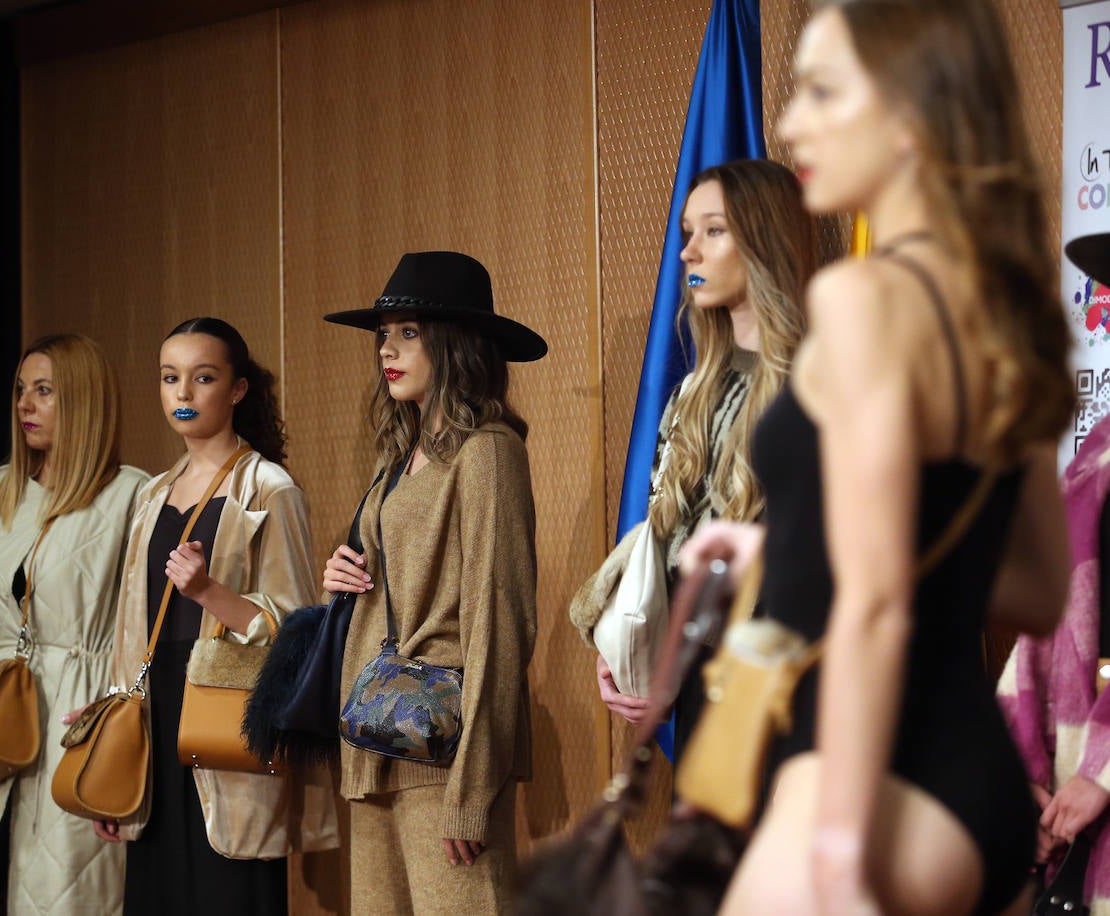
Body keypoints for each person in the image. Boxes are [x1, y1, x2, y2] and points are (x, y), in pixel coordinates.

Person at [678, 1, 1074, 913]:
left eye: (821, 91)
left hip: (865, 787)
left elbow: (880, 601)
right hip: (975, 790)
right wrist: (792, 546)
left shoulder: (862, 300)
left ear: (909, 114)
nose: (789, 123)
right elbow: (1033, 587)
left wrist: (840, 854)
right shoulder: (1006, 311)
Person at [321, 250, 545, 914]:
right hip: (371, 745)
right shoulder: (400, 457)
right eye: (385, 336)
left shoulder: (489, 453)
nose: (389, 350)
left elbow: (502, 619)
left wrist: (474, 790)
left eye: (410, 333)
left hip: (441, 751)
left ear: (456, 344)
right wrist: (341, 577)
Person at [570, 157, 815, 759]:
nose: (688, 254)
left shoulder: (821, 386)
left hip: (794, 699)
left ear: (765, 239)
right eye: (687, 233)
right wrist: (630, 650)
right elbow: (665, 546)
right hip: (704, 698)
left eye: (713, 230)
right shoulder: (693, 393)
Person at [80, 317, 319, 915]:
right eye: (170, 378)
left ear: (237, 389)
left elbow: (296, 629)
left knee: (227, 893)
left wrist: (208, 590)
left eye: (202, 377)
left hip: (226, 717)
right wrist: (113, 714)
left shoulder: (268, 487)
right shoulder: (151, 494)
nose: (182, 394)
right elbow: (132, 629)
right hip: (154, 719)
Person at [0, 333, 149, 915]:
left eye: (44, 391)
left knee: (59, 896)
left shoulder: (130, 495)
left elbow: (143, 632)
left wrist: (116, 741)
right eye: (21, 390)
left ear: (83, 400)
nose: (24, 404)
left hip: (75, 726)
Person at [998, 236, 1110, 913]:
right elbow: (1050, 623)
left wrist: (1105, 767)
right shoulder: (1096, 454)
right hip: (1073, 791)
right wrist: (1023, 769)